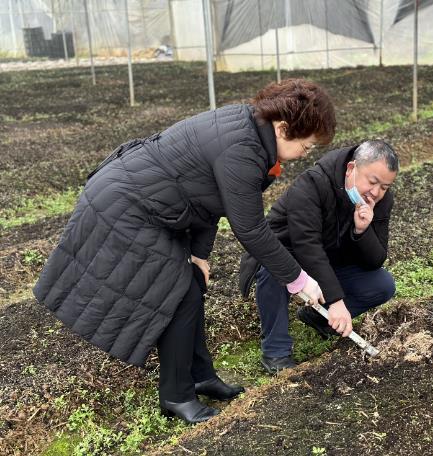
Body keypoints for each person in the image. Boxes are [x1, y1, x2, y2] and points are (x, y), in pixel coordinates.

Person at [33, 79, 335, 423]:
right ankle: (176, 397)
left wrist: (198, 255)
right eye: (306, 146)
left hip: (154, 202)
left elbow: (207, 198)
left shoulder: (251, 130)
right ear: (283, 128)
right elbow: (250, 229)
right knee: (177, 293)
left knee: (190, 285)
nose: (305, 155)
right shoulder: (243, 148)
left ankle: (200, 376)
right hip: (126, 205)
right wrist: (298, 280)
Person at [239, 140, 398, 374]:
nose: (376, 192)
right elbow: (307, 245)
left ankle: (319, 318)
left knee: (382, 284)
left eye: (384, 187)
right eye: (372, 182)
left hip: (330, 260)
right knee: (274, 269)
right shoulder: (313, 183)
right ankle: (276, 351)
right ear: (351, 169)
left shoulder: (379, 202)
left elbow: (375, 260)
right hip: (288, 254)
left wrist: (362, 231)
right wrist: (336, 300)